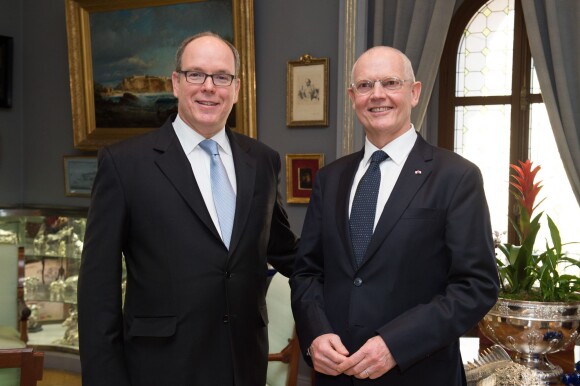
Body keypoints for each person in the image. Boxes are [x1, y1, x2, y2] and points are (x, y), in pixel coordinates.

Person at [78, 32, 299, 386]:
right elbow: (97, 289)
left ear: (237, 88)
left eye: (221, 77)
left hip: (244, 364)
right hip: (160, 368)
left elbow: (288, 254)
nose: (209, 87)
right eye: (196, 74)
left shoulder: (263, 162)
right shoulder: (125, 164)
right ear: (176, 83)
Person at [290, 46, 499, 385]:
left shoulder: (456, 177)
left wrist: (396, 345)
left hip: (419, 372)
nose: (377, 95)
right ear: (352, 96)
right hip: (337, 374)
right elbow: (307, 272)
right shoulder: (331, 179)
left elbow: (476, 286)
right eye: (365, 85)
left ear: (414, 92)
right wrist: (315, 334)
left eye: (390, 83)